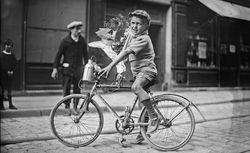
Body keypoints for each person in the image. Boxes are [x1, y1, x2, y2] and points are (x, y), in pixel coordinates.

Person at [99, 10, 159, 143]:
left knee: (136, 88)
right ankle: (143, 133)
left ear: (145, 26)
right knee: (142, 105)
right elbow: (126, 58)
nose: (134, 26)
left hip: (147, 71)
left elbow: (126, 52)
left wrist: (110, 66)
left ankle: (154, 116)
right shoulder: (133, 37)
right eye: (132, 23)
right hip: (139, 73)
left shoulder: (144, 38)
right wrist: (120, 72)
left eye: (138, 24)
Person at [51, 21, 89, 110]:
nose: (79, 31)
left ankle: (75, 108)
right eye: (77, 29)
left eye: (80, 29)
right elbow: (58, 55)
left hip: (78, 70)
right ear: (71, 30)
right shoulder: (65, 41)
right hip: (67, 70)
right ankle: (67, 107)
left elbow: (86, 55)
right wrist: (55, 68)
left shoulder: (82, 41)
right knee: (66, 89)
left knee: (77, 90)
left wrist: (87, 66)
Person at [0, 39, 18, 110]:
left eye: (10, 45)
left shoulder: (12, 55)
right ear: (4, 46)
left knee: (9, 90)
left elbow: (15, 64)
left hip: (10, 76)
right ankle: (1, 105)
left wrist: (12, 71)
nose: (8, 47)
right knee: (2, 90)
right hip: (3, 76)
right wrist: (6, 71)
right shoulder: (1, 55)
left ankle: (10, 104)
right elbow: (2, 65)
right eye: (7, 45)